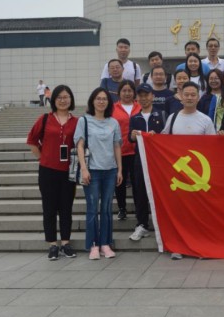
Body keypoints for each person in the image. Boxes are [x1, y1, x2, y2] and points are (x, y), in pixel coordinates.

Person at [164, 81, 216, 260]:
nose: (189, 97)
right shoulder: (172, 118)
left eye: (193, 94)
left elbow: (213, 148)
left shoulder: (205, 120)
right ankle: (178, 246)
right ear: (180, 95)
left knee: (200, 213)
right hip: (179, 176)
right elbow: (162, 142)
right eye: (186, 94)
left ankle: (200, 246)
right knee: (180, 213)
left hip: (200, 176)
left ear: (198, 97)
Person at [27, 85, 78, 260]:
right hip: (47, 171)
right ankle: (52, 245)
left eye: (66, 97)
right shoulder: (45, 119)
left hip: (68, 172)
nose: (63, 100)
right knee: (49, 208)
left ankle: (65, 243)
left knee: (66, 208)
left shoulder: (77, 121)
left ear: (71, 99)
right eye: (59, 97)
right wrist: (43, 158)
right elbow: (32, 140)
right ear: (54, 100)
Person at [75, 88, 123, 260]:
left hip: (110, 170)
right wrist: (84, 168)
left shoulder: (113, 122)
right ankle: (93, 245)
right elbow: (80, 145)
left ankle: (105, 244)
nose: (101, 101)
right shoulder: (84, 121)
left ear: (109, 102)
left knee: (107, 208)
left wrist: (120, 169)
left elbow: (117, 146)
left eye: (104, 99)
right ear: (92, 101)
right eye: (98, 98)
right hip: (92, 170)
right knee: (92, 208)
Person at [129, 84, 165, 242]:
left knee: (161, 191)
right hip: (140, 159)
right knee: (140, 192)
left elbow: (167, 135)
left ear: (152, 96)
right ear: (137, 98)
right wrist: (132, 136)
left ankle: (163, 224)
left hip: (158, 160)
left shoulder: (162, 114)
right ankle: (142, 224)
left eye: (146, 95)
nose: (143, 98)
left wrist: (156, 136)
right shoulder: (135, 118)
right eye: (140, 96)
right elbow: (130, 139)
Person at [111, 80, 141, 221]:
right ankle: (122, 208)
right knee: (120, 182)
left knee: (137, 183)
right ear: (119, 93)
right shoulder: (112, 108)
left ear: (134, 93)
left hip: (137, 152)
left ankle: (139, 208)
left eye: (130, 90)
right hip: (119, 151)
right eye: (124, 90)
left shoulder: (140, 107)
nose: (127, 93)